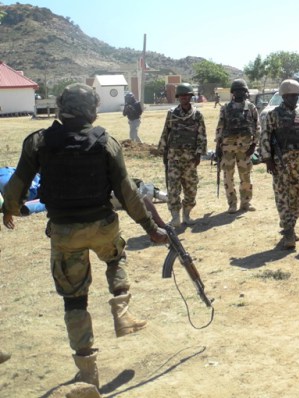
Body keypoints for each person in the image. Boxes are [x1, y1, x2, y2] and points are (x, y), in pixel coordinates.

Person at [1, 83, 168, 389]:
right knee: (116, 258)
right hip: (103, 226)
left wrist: (9, 210)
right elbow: (127, 192)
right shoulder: (106, 141)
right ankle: (122, 308)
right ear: (92, 108)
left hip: (65, 232)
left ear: (62, 107)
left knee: (74, 301)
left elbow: (18, 183)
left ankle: (88, 372)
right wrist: (150, 228)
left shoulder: (38, 141)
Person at [260, 79, 299, 249]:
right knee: (283, 195)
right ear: (283, 96)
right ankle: (288, 229)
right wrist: (268, 159)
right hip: (280, 162)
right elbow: (265, 137)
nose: (294, 99)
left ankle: (290, 224)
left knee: (298, 194)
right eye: (290, 96)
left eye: (296, 96)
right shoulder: (273, 115)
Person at [158, 83, 207, 227]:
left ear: (191, 97)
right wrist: (163, 152)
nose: (184, 98)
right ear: (178, 97)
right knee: (173, 188)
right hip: (173, 158)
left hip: (190, 159)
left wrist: (199, 155)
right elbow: (166, 133)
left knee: (191, 188)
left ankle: (187, 214)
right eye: (181, 96)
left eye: (187, 95)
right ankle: (175, 217)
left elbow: (202, 136)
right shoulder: (172, 113)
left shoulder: (197, 115)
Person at [216, 79, 260, 214]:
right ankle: (232, 203)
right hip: (228, 148)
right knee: (228, 177)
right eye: (237, 90)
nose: (239, 93)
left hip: (245, 148)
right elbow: (220, 127)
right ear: (232, 92)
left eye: (242, 90)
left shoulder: (251, 108)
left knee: (245, 176)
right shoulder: (225, 108)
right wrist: (218, 146)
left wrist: (254, 145)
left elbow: (257, 127)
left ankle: (246, 202)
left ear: (246, 92)